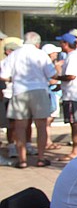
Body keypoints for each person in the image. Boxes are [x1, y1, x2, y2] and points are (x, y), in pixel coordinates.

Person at [0, 32, 55, 167]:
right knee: (41, 126)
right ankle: (41, 158)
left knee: (20, 127)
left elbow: (4, 75)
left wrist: (14, 79)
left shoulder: (14, 54)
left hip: (20, 91)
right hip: (39, 90)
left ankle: (22, 159)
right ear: (37, 42)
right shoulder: (41, 54)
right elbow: (51, 73)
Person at [56, 32, 77, 160]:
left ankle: (75, 150)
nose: (60, 45)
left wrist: (56, 77)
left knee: (75, 123)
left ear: (66, 44)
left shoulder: (72, 57)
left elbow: (71, 76)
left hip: (71, 95)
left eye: (61, 42)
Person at [41, 43, 64, 150]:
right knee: (48, 119)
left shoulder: (51, 64)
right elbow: (51, 79)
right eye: (54, 52)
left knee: (50, 119)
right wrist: (59, 71)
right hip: (50, 94)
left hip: (54, 94)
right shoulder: (47, 65)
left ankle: (48, 141)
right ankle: (46, 141)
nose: (56, 54)